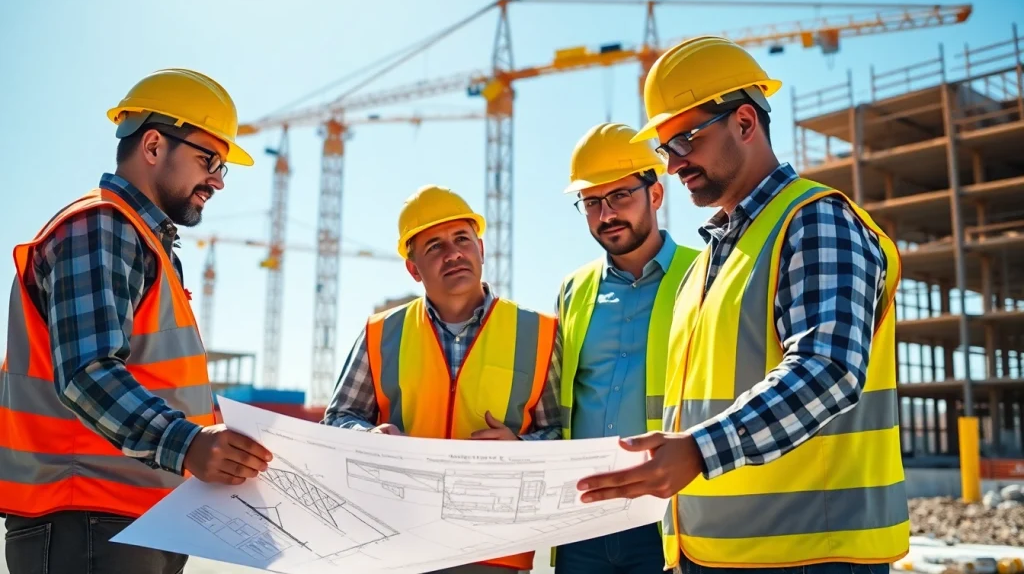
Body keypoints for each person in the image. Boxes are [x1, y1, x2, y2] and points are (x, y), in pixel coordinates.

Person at [576, 36, 908, 573]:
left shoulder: (815, 221)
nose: (675, 164)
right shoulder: (708, 264)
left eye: (685, 140)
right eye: (666, 150)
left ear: (746, 122)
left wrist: (700, 451)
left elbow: (829, 369)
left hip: (812, 555)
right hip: (713, 554)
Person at [1, 69, 274, 574]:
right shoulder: (99, 225)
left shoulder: (145, 245)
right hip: (87, 521)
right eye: (208, 158)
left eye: (223, 168)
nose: (216, 179)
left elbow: (162, 383)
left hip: (133, 521)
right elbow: (88, 371)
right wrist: (188, 444)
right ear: (152, 145)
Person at [322, 184, 561, 574]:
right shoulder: (381, 333)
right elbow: (336, 421)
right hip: (398, 546)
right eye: (434, 246)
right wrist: (369, 439)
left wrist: (519, 446)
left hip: (496, 551)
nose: (453, 254)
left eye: (462, 239)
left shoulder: (539, 332)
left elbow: (563, 433)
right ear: (413, 268)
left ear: (480, 250)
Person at [550, 123, 699, 574]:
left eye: (619, 196)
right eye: (592, 202)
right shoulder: (573, 290)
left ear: (655, 195)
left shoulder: (705, 273)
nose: (606, 214)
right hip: (583, 519)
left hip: (671, 515)